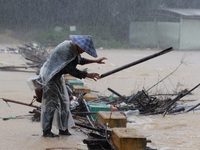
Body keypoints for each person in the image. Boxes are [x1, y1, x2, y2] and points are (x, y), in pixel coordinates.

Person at [39, 35, 107, 137]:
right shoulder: (67, 48)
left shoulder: (74, 50)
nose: (83, 52)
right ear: (79, 45)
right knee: (51, 104)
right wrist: (87, 75)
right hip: (50, 75)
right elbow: (70, 70)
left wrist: (95, 61)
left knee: (64, 102)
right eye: (83, 50)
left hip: (57, 76)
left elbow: (79, 60)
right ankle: (46, 131)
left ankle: (63, 129)